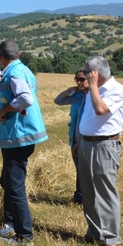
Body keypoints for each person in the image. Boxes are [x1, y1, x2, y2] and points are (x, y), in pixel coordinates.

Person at [0, 40, 48, 246]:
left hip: (18, 136)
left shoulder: (13, 73)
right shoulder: (25, 70)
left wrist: (6, 109)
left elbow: (26, 98)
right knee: (7, 181)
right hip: (17, 136)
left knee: (15, 187)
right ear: (19, 53)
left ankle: (25, 236)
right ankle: (10, 222)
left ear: (0, 56)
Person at [77, 56, 123, 246]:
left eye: (88, 72)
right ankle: (94, 231)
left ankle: (112, 238)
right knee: (88, 190)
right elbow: (89, 118)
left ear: (96, 74)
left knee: (105, 192)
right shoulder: (93, 90)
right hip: (86, 144)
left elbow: (100, 110)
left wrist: (93, 87)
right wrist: (80, 140)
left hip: (105, 145)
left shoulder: (119, 90)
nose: (84, 74)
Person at [53, 69, 89, 204]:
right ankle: (79, 195)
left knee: (86, 169)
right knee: (79, 168)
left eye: (82, 79)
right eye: (77, 79)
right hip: (74, 137)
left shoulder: (93, 98)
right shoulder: (77, 96)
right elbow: (58, 100)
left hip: (86, 139)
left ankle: (85, 196)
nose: (79, 82)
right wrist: (71, 89)